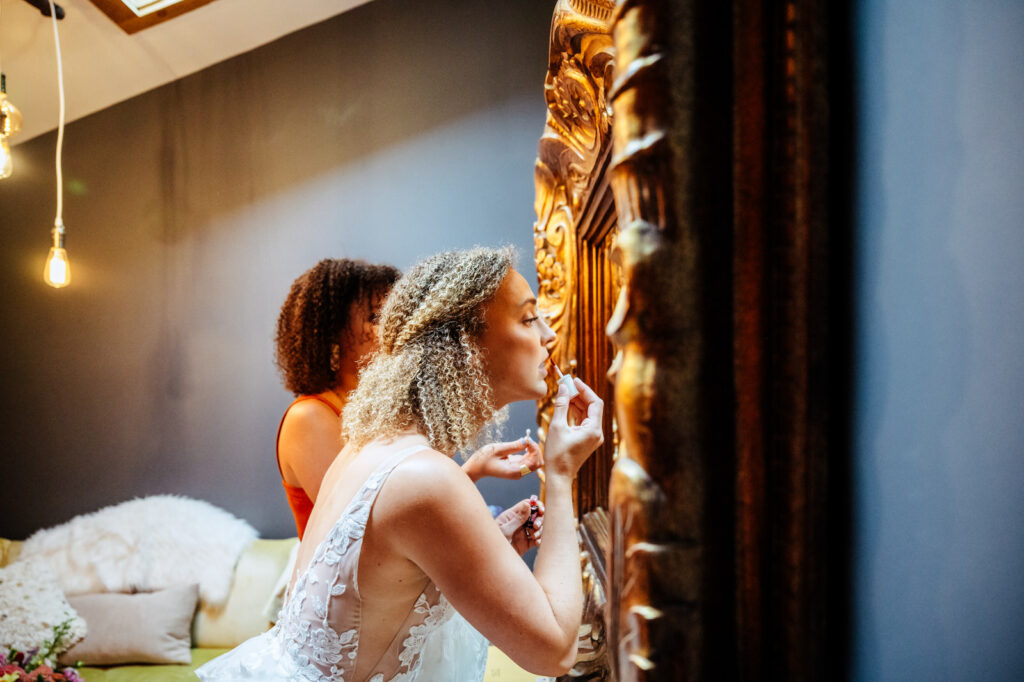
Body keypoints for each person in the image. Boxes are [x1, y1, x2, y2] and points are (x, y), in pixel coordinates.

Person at [197, 246, 604, 680]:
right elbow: (556, 652)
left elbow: (389, 575)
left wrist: (485, 546)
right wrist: (560, 475)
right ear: (466, 343)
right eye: (527, 318)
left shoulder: (370, 444)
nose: (549, 335)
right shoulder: (422, 475)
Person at [273, 258, 544, 540]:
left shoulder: (376, 411)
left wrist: (473, 469)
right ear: (331, 336)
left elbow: (398, 512)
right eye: (377, 317)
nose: (396, 328)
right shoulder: (308, 418)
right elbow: (369, 532)